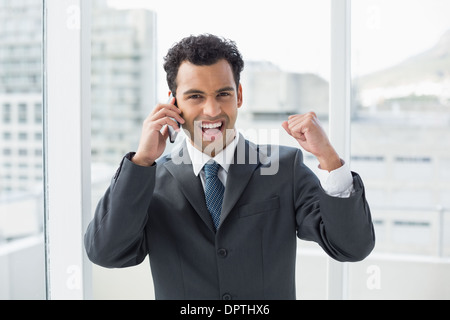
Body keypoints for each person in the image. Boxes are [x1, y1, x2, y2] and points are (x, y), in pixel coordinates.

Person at [84, 34, 375, 300]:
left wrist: (329, 158)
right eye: (195, 96)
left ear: (239, 96)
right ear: (174, 103)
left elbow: (351, 246)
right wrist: (142, 161)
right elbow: (107, 253)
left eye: (223, 94)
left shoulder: (285, 168)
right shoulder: (150, 180)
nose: (212, 111)